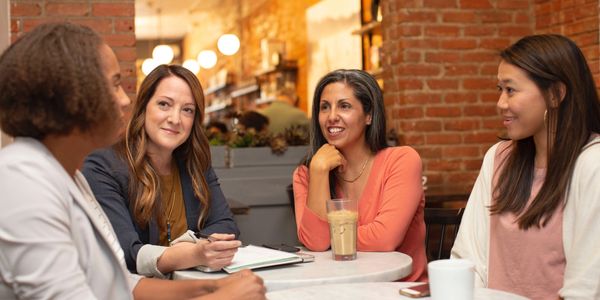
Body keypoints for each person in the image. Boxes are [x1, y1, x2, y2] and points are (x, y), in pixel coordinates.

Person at [0, 22, 265, 299]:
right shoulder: (21, 180)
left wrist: (211, 287)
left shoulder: (70, 176)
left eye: (187, 110)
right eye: (115, 85)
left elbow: (122, 283)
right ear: (71, 96)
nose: (126, 101)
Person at [451, 34, 600, 299]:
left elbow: (585, 289)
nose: (501, 103)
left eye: (511, 90)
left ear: (555, 94)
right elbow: (468, 257)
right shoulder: (499, 158)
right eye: (500, 89)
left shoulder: (591, 164)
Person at [82, 65, 241, 278]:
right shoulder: (103, 167)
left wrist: (189, 250)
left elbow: (226, 226)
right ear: (143, 107)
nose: (175, 119)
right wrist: (193, 253)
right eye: (164, 104)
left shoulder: (195, 163)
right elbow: (125, 252)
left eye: (187, 110)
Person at [292, 69, 427, 282]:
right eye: (324, 107)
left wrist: (332, 237)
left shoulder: (402, 160)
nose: (332, 117)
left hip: (399, 291)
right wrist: (318, 172)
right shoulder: (307, 173)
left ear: (369, 115)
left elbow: (385, 239)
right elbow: (317, 243)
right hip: (340, 290)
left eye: (344, 106)